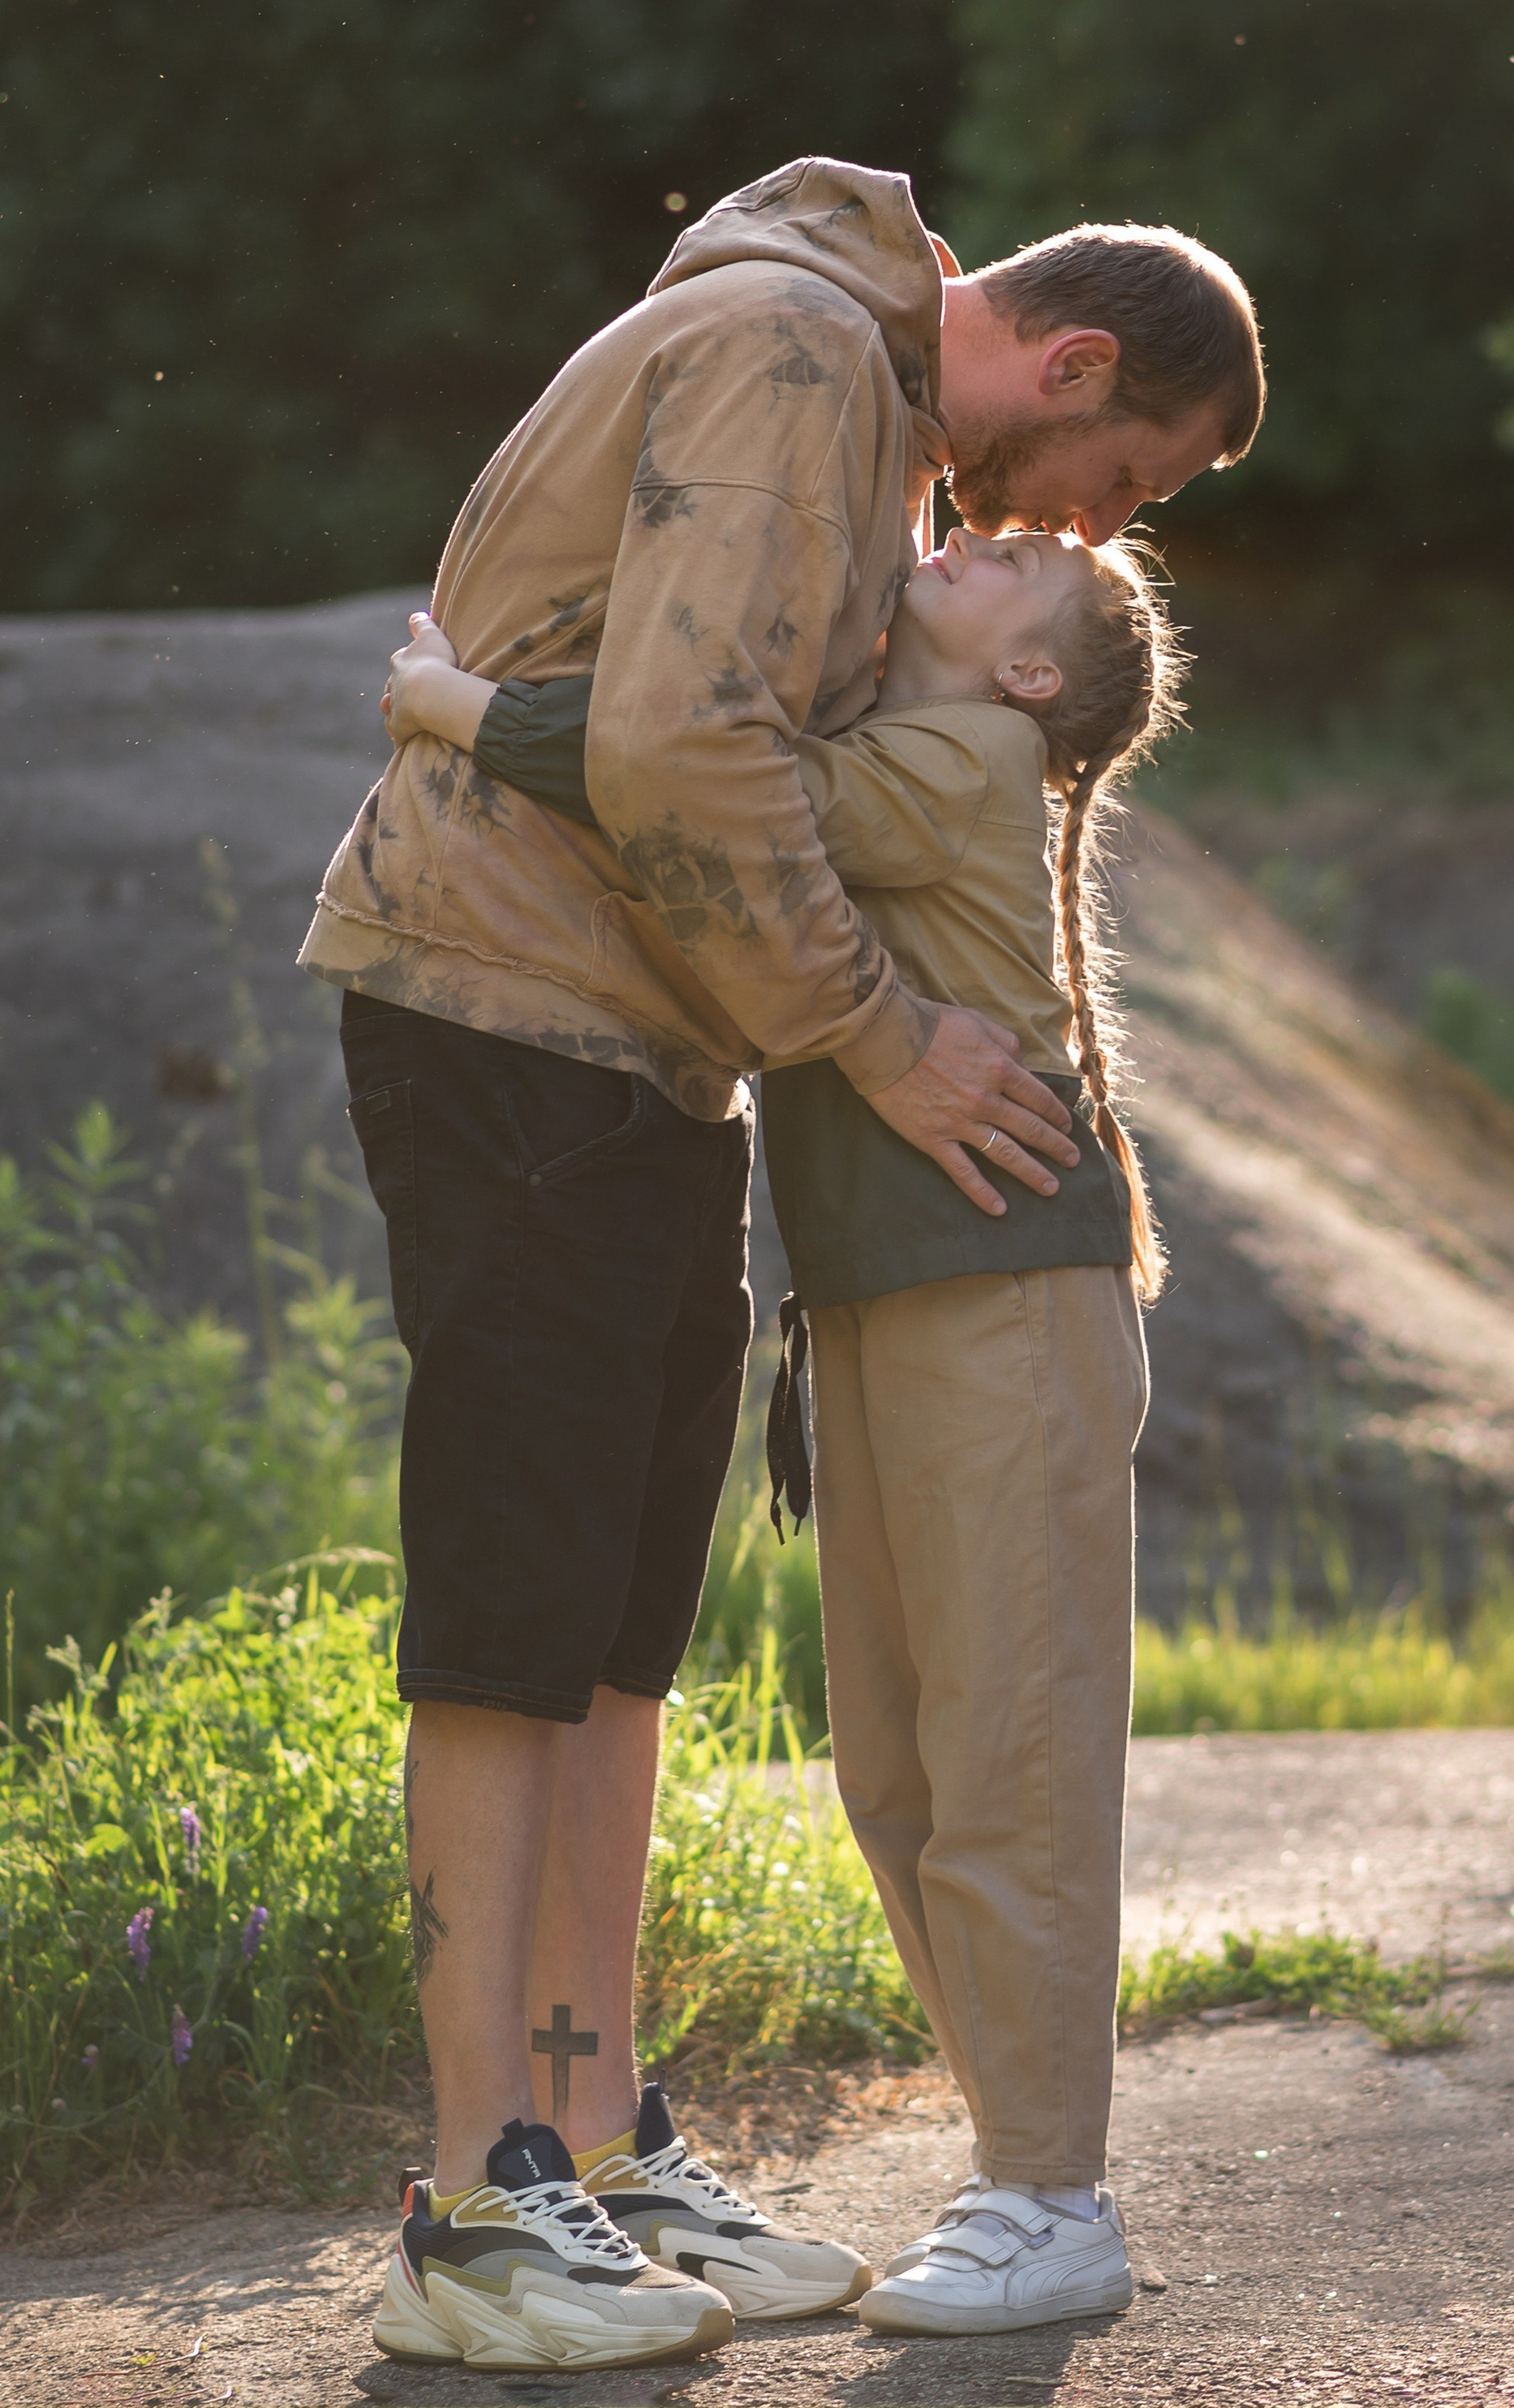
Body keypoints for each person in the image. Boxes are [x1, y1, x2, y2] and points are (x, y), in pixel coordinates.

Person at [299, 157, 1262, 2372]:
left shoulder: (856, 404)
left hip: (651, 1045)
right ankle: (477, 2201)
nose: (1087, 539)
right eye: (1106, 483)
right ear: (1072, 364)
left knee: (623, 1632)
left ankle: (591, 2133)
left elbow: (761, 758)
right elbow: (685, 744)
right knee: (525, 1616)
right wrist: (870, 1031)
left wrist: (796, 1008)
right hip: (514, 1010)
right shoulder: (801, 349)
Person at [381, 499, 1177, 2337]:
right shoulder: (922, 726)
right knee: (895, 1765)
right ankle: (1015, 2161)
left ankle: (1050, 2185)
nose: (977, 536)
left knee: (1015, 1748)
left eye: (1008, 561)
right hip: (892, 1308)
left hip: (1008, 1310)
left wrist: (456, 702)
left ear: (1032, 672)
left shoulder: (966, 753)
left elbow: (716, 801)